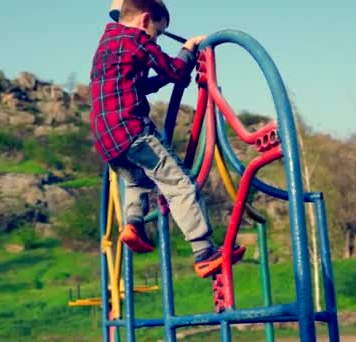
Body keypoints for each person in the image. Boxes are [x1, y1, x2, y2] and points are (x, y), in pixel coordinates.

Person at [88, 0, 245, 279]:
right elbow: (174, 70)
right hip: (133, 131)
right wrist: (188, 49)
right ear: (146, 19)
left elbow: (139, 83)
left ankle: (133, 223)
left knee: (137, 180)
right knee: (180, 185)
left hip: (106, 139)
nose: (155, 38)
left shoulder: (106, 43)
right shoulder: (139, 40)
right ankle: (204, 253)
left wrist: (164, 80)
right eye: (158, 32)